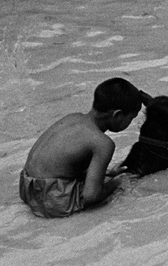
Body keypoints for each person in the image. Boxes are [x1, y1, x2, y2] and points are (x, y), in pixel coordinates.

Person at [19, 77, 143, 218]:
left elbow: (64, 161)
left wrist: (107, 173)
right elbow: (91, 196)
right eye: (131, 118)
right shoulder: (103, 143)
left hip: (27, 186)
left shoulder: (73, 118)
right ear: (117, 115)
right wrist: (116, 182)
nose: (131, 122)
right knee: (114, 194)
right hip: (52, 200)